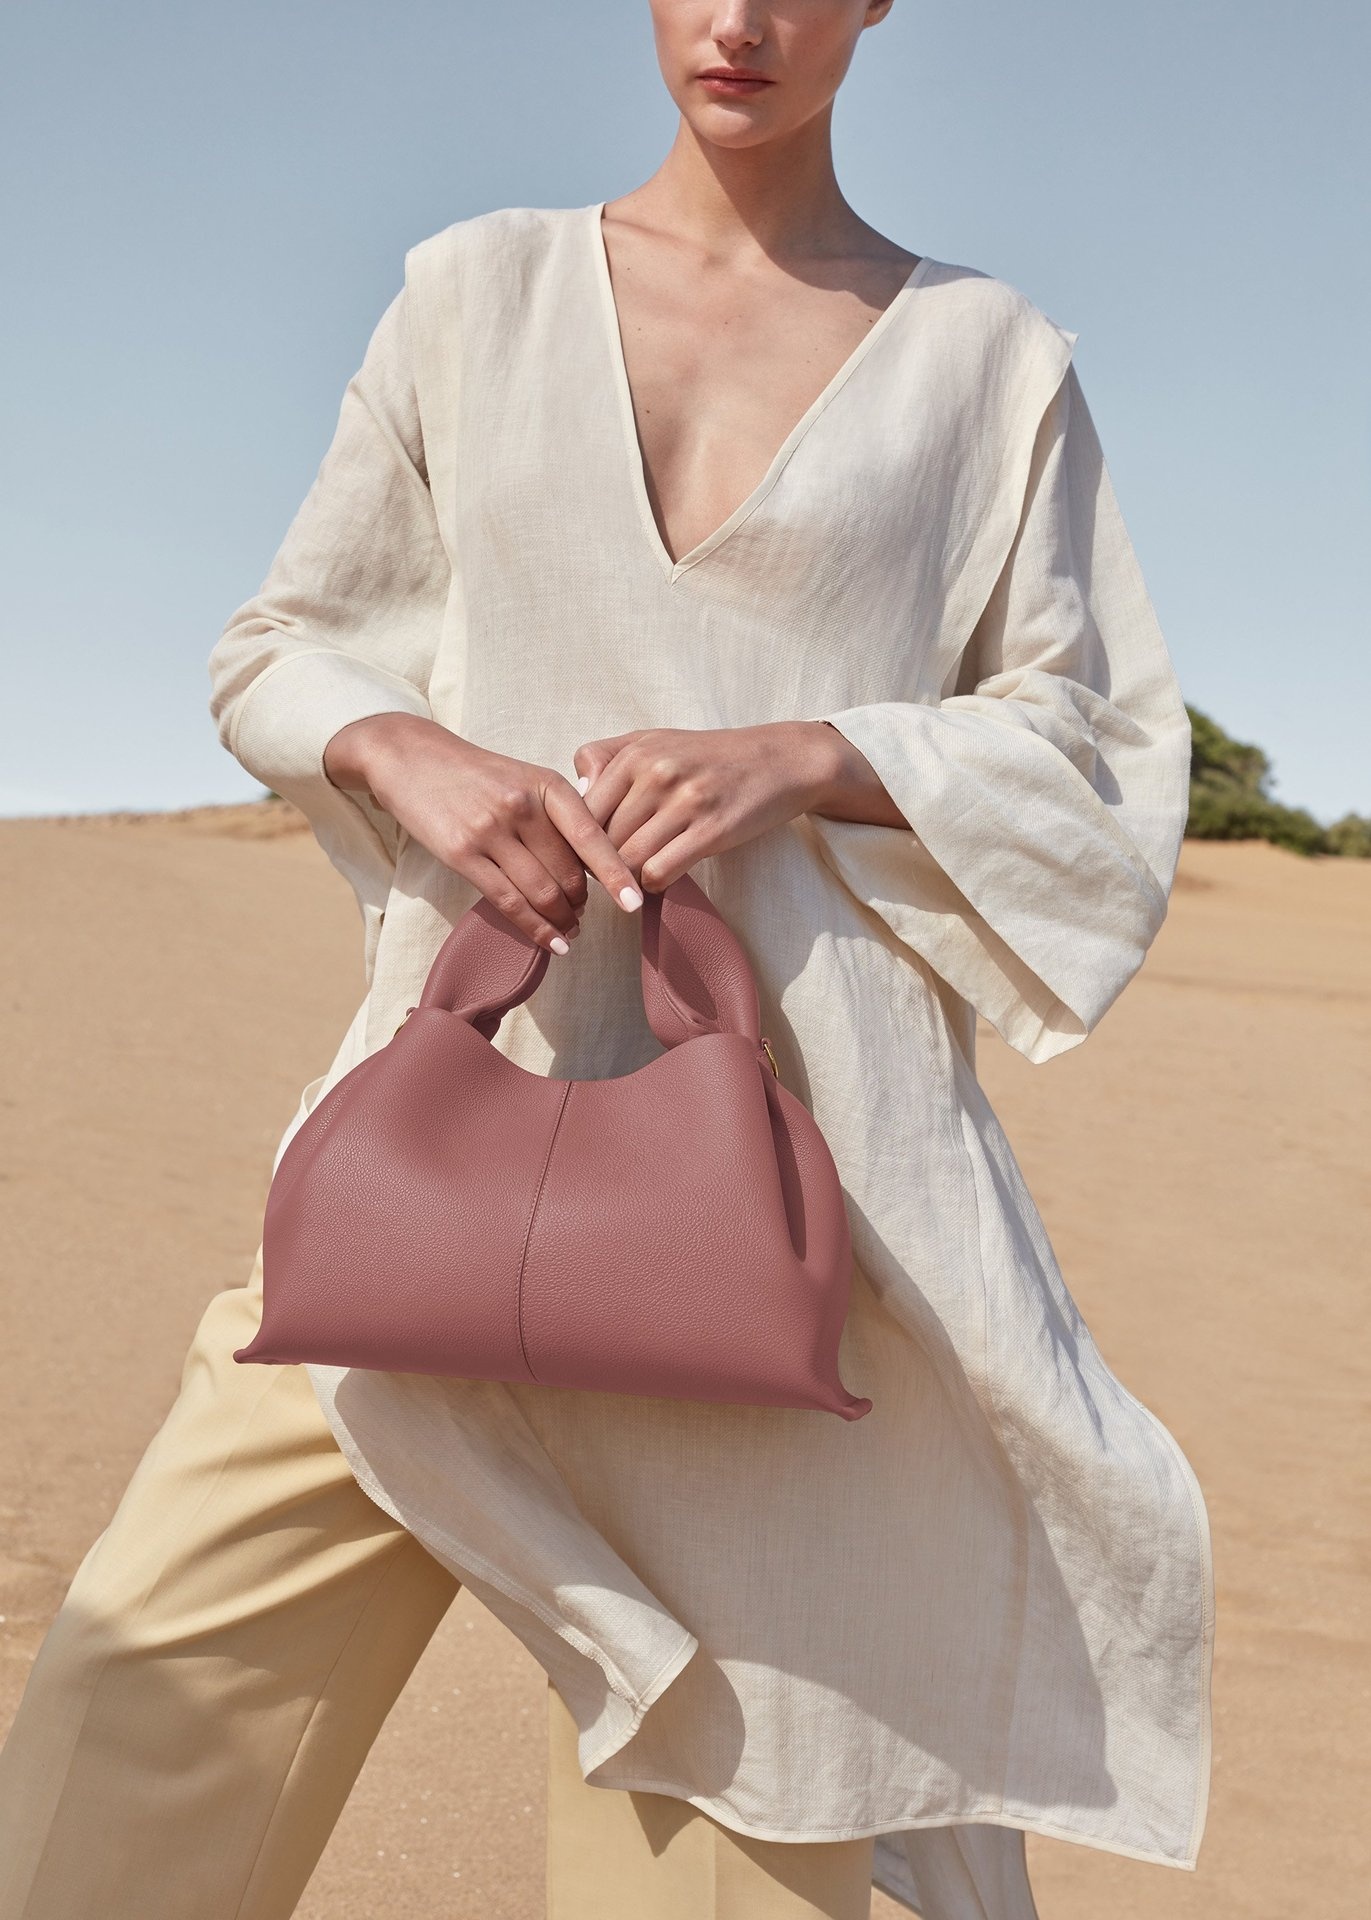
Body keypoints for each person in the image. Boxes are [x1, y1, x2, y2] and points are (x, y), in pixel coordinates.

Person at [0, 3, 1215, 1917]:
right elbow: (279, 643)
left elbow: (1094, 750)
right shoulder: (473, 294)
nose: (740, 21)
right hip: (417, 1180)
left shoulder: (990, 362)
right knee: (122, 1746)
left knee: (731, 1846)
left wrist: (817, 750)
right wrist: (397, 744)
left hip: (787, 1237)